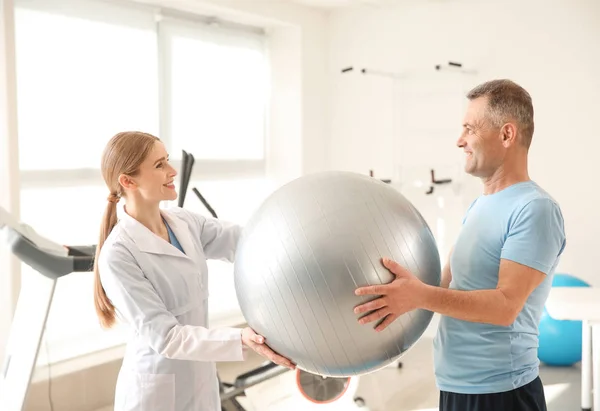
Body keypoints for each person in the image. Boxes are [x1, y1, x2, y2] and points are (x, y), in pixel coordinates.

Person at [353, 79, 566, 411]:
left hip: (500, 393)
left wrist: (419, 294)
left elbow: (504, 306)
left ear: (507, 135)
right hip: (455, 385)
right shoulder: (480, 206)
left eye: (470, 129)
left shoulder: (535, 209)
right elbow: (443, 286)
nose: (459, 140)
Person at [93, 131, 295, 411]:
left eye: (167, 161)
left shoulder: (183, 222)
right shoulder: (118, 255)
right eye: (159, 165)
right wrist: (240, 338)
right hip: (155, 393)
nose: (172, 171)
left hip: (200, 380)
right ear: (128, 181)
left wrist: (295, 241)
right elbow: (166, 336)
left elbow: (248, 243)